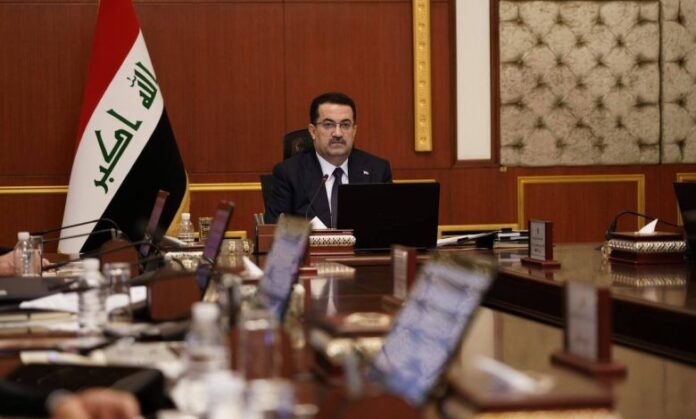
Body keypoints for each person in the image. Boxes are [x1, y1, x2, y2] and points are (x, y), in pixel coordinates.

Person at [265, 92, 392, 227]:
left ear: (354, 131)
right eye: (328, 125)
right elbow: (276, 231)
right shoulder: (289, 174)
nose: (337, 133)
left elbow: (390, 228)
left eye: (345, 125)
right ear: (313, 131)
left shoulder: (377, 171)